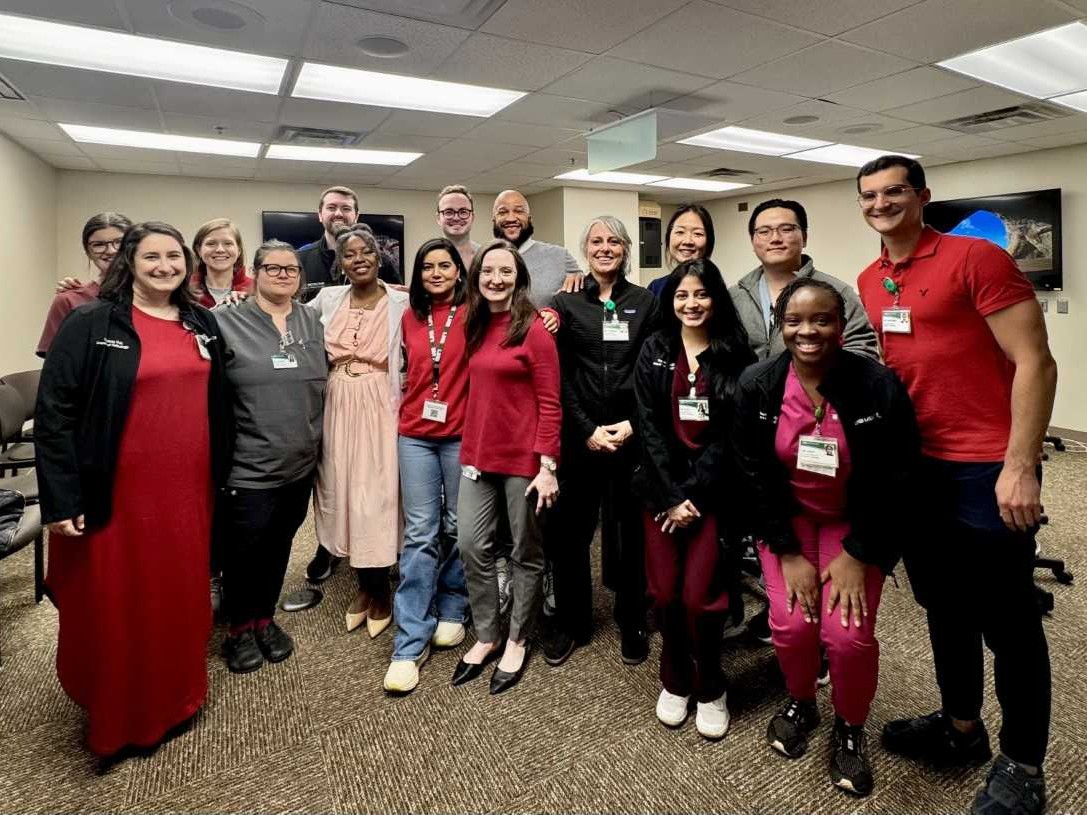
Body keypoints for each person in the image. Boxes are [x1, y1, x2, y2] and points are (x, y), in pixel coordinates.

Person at [855, 155, 1057, 815]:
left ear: (921, 197)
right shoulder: (870, 277)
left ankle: (1023, 764)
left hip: (984, 466)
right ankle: (960, 726)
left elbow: (1035, 360)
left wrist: (1020, 463)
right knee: (943, 606)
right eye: (869, 195)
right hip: (917, 469)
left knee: (1009, 622)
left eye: (893, 192)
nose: (880, 203)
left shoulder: (976, 259)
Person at [35, 221, 232, 757]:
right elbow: (54, 415)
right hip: (118, 492)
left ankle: (177, 698)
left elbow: (220, 402)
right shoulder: (91, 321)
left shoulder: (201, 322)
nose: (165, 266)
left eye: (173, 256)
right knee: (121, 601)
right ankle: (121, 716)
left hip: (188, 491)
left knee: (179, 597)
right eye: (152, 257)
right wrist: (61, 497)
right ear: (130, 262)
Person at [734, 277, 920, 797]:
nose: (807, 331)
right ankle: (801, 700)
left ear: (842, 325)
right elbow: (751, 474)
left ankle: (850, 726)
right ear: (779, 326)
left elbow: (899, 478)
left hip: (855, 525)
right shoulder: (758, 383)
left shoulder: (876, 384)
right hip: (787, 522)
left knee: (846, 635)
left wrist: (860, 553)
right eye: (794, 321)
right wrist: (788, 553)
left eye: (822, 319)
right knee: (791, 626)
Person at [633, 258, 754, 740]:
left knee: (703, 598)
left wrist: (694, 498)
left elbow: (731, 437)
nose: (691, 303)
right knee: (664, 593)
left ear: (716, 299)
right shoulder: (655, 349)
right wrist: (669, 497)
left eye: (701, 294)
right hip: (660, 495)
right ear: (671, 300)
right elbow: (648, 426)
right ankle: (675, 679)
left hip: (710, 496)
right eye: (682, 295)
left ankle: (711, 686)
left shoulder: (734, 354)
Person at [541, 216, 658, 668]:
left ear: (626, 249)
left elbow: (652, 370)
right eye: (596, 241)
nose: (604, 248)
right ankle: (573, 622)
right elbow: (561, 374)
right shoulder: (566, 303)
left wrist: (631, 423)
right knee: (570, 535)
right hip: (581, 437)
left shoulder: (646, 303)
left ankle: (633, 620)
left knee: (630, 535)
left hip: (631, 436)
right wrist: (586, 428)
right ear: (585, 249)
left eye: (613, 241)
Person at [452, 240, 561, 695]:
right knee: (471, 545)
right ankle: (487, 633)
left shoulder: (533, 328)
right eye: (487, 271)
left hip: (525, 462)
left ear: (519, 277)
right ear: (476, 277)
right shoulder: (471, 322)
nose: (496, 279)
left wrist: (548, 465)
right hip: (478, 455)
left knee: (525, 551)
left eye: (506, 271)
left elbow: (552, 403)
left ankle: (517, 637)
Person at [215, 240, 327, 674]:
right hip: (248, 464)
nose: (283, 275)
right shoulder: (225, 321)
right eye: (274, 268)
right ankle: (239, 629)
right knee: (246, 550)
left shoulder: (311, 318)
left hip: (299, 461)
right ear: (255, 273)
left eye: (291, 269)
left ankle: (265, 618)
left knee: (280, 544)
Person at [307, 224, 408, 638]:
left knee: (378, 495)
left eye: (367, 251)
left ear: (378, 256)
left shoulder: (402, 300)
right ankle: (363, 584)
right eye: (350, 254)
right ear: (340, 262)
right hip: (336, 403)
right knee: (342, 490)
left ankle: (380, 588)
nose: (360, 258)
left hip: (380, 403)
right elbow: (281, 314)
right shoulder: (327, 299)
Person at [384, 238, 471, 694]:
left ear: (459, 270)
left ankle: (454, 604)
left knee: (457, 525)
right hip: (415, 434)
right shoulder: (410, 317)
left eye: (444, 265)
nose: (436, 273)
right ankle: (409, 640)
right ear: (418, 276)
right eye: (427, 267)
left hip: (460, 436)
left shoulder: (476, 313)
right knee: (420, 531)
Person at [730, 199, 878, 362]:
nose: (775, 238)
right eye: (764, 232)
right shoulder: (735, 296)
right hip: (747, 387)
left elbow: (863, 353)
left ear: (804, 237)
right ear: (753, 240)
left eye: (786, 229)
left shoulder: (837, 291)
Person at [37, 212, 132, 357]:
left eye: (119, 242)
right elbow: (56, 366)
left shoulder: (157, 297)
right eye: (99, 245)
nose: (111, 250)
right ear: (88, 251)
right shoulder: (69, 300)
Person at [298, 186, 402, 299]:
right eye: (331, 208)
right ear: (320, 215)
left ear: (356, 216)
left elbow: (397, 303)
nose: (338, 214)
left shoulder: (380, 261)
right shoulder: (300, 260)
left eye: (346, 208)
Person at [491, 189, 582, 305]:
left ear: (529, 218)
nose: (511, 218)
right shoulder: (483, 259)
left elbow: (585, 296)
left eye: (519, 211)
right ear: (494, 219)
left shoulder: (559, 256)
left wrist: (580, 278)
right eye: (502, 212)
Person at [645, 204, 714, 298]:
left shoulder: (716, 289)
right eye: (680, 232)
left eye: (698, 233)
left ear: (709, 241)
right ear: (668, 238)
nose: (687, 241)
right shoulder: (656, 288)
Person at [190, 218, 252, 307]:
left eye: (228, 243)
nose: (220, 250)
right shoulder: (184, 292)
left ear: (238, 250)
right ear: (199, 250)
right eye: (211, 243)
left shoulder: (256, 291)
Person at [436, 184, 479, 270]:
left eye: (463, 212)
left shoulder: (485, 255)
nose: (456, 218)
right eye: (449, 212)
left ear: (472, 217)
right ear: (438, 218)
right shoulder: (427, 256)